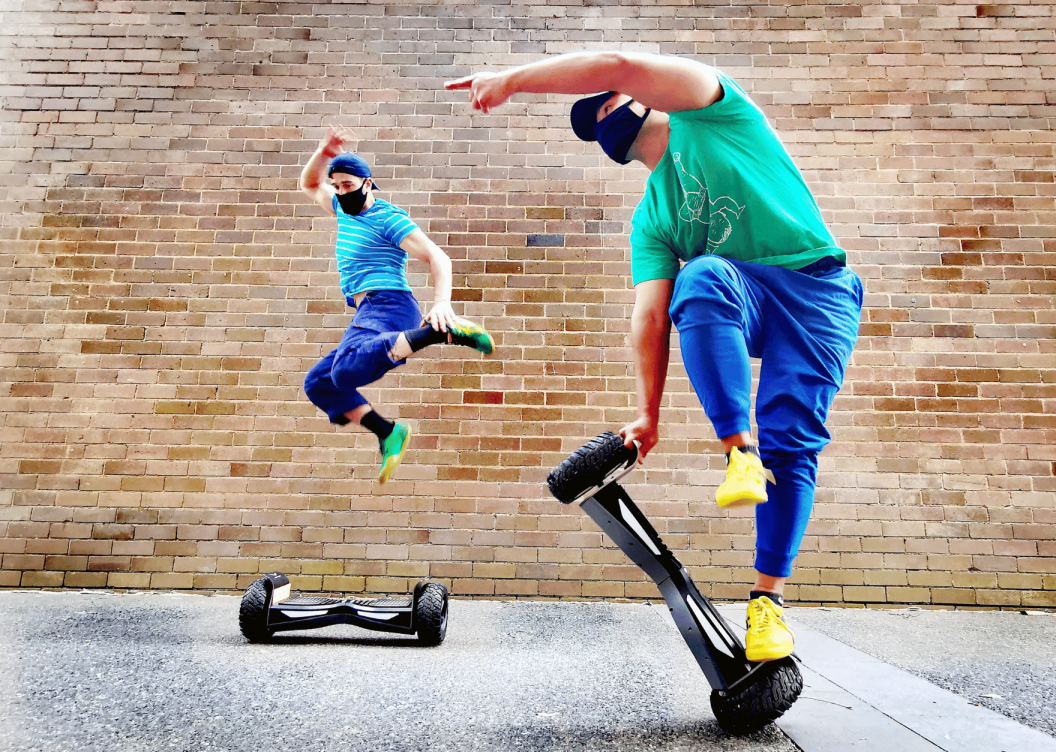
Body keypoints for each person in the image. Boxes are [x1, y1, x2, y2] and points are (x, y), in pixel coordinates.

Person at [446, 53, 862, 662]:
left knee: (793, 439)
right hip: (740, 292)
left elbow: (615, 61)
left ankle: (768, 601)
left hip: (816, 290)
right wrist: (647, 413)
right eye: (591, 125)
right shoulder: (652, 220)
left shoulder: (714, 110)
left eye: (602, 103)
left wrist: (512, 80)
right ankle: (738, 456)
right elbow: (647, 318)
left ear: (635, 95)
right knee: (702, 279)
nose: (601, 121)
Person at [300, 126, 495, 483]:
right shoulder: (343, 209)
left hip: (389, 304)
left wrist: (441, 304)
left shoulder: (388, 218)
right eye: (338, 186)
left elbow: (439, 258)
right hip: (369, 310)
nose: (342, 192)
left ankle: (438, 331)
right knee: (319, 383)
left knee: (345, 371)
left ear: (368, 183)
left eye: (349, 185)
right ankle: (387, 432)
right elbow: (310, 185)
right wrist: (324, 151)